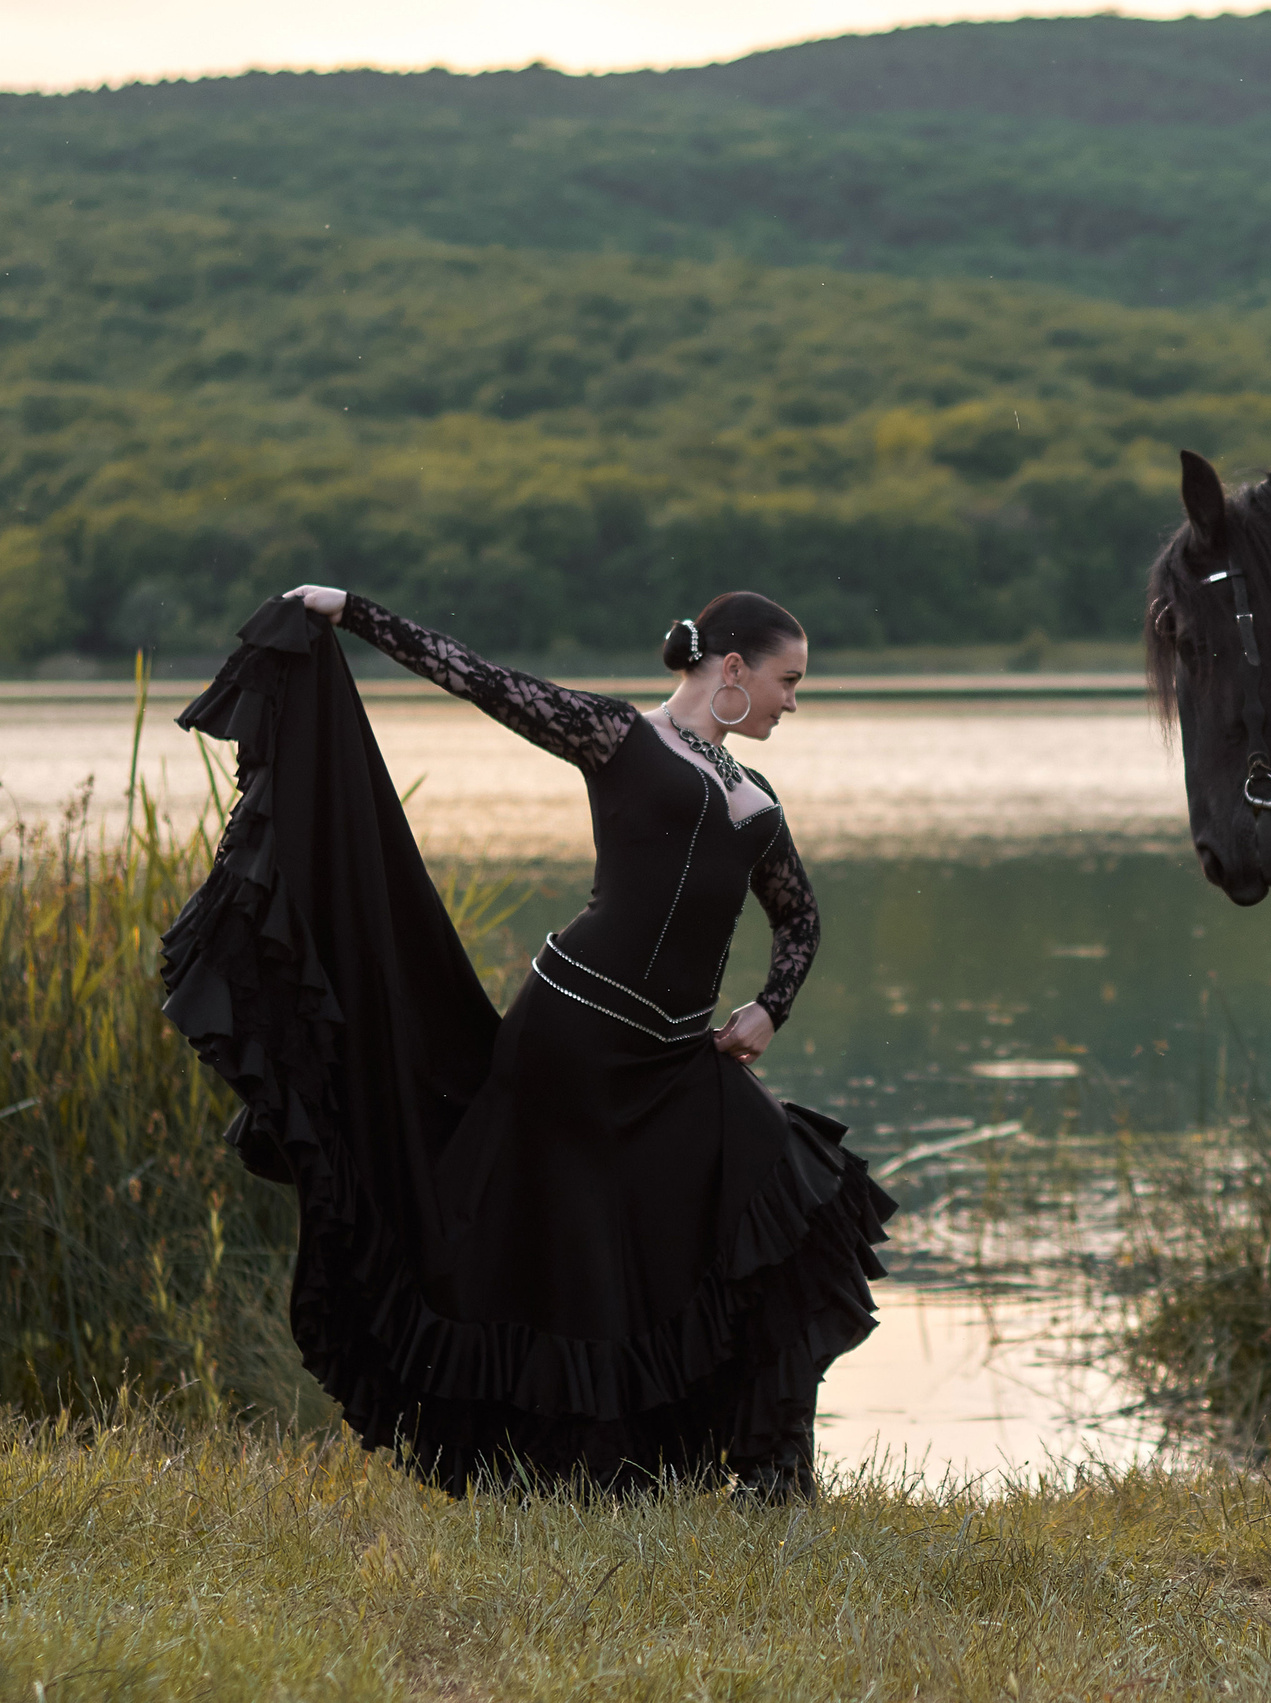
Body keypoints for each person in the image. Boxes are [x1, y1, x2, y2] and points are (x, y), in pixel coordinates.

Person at [162, 585, 890, 1498]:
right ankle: (594, 1477)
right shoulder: (618, 737)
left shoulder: (756, 796)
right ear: (733, 668)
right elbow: (481, 680)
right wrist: (356, 612)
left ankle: (776, 1473)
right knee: (584, 1267)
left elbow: (800, 921)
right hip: (572, 1046)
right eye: (789, 679)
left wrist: (768, 1010)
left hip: (673, 1058)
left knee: (797, 1204)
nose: (794, 699)